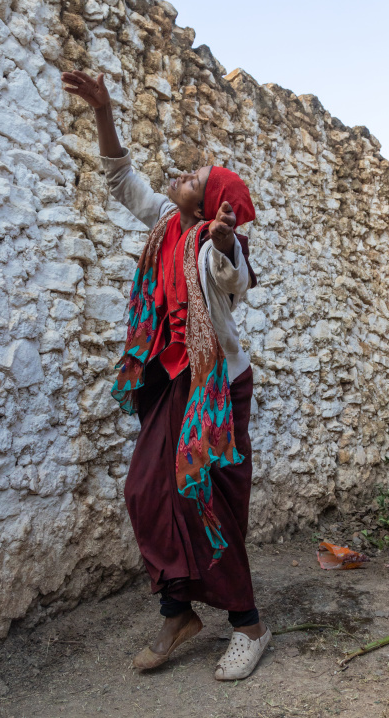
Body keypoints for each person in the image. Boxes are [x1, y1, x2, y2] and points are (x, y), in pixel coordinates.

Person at [61, 70, 270, 681]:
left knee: (206, 500)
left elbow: (236, 280)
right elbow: (123, 179)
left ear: (209, 205)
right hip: (173, 381)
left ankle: (249, 626)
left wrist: (228, 243)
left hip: (216, 388)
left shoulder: (210, 243)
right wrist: (103, 110)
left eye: (195, 179)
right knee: (145, 490)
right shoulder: (165, 224)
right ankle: (178, 611)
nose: (180, 176)